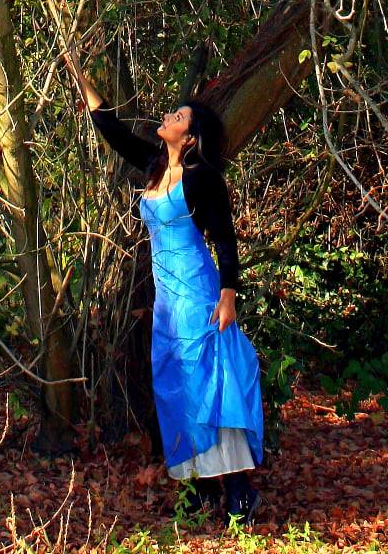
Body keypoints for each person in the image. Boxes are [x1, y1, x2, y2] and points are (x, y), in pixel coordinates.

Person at [62, 42, 264, 526]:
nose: (169, 116)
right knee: (176, 386)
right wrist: (79, 72)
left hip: (198, 293)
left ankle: (238, 489)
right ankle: (195, 488)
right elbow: (111, 129)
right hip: (168, 301)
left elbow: (226, 241)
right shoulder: (155, 165)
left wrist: (228, 298)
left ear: (190, 138)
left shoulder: (202, 178)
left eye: (179, 116)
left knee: (210, 384)